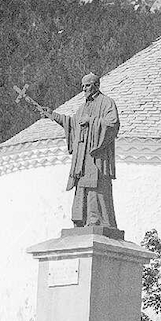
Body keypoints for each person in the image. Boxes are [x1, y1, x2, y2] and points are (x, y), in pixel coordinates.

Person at [39, 72, 120, 233]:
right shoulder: (83, 107)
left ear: (96, 85)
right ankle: (82, 220)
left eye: (87, 85)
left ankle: (97, 221)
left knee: (95, 187)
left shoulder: (107, 103)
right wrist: (53, 115)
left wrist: (91, 121)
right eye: (83, 86)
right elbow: (72, 124)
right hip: (82, 156)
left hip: (97, 155)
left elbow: (112, 124)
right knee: (82, 186)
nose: (84, 89)